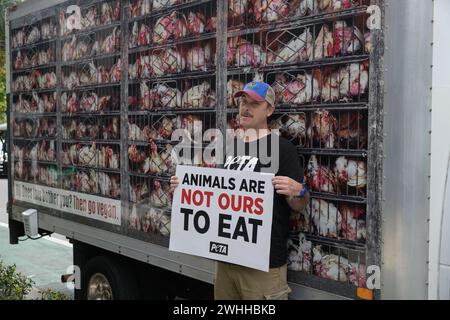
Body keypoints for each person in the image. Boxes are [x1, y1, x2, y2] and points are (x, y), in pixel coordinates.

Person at [170, 81, 309, 300]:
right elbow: (218, 194)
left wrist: (298, 192)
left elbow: (299, 206)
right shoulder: (230, 147)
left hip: (263, 267)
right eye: (243, 101)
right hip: (227, 262)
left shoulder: (283, 149)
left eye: (254, 103)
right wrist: (185, 188)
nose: (246, 107)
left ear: (269, 110)